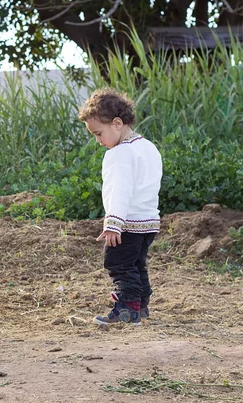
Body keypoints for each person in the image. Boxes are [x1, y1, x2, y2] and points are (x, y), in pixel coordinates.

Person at [78, 87, 162, 325]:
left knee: (118, 264)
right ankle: (141, 306)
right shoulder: (148, 147)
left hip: (126, 223)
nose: (98, 141)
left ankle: (127, 309)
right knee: (136, 264)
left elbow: (121, 190)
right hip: (148, 222)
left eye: (98, 133)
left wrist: (113, 223)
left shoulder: (120, 153)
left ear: (117, 123)